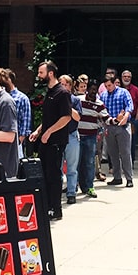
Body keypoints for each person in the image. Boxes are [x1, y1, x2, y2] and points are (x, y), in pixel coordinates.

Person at [28, 61, 71, 220]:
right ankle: (46, 207)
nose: (39, 76)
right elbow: (48, 118)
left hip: (55, 142)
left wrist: (49, 132)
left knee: (53, 175)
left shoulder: (62, 92)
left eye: (41, 72)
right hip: (45, 140)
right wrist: (39, 131)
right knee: (44, 174)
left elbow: (66, 117)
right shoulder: (50, 91)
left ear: (50, 73)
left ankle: (55, 209)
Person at [100, 72, 134, 187]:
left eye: (109, 85)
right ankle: (117, 177)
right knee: (113, 153)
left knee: (125, 153)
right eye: (106, 86)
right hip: (109, 126)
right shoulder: (103, 95)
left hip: (122, 127)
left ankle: (129, 178)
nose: (108, 88)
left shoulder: (123, 92)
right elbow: (101, 111)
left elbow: (130, 106)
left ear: (115, 83)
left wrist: (126, 116)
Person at [76, 78, 107, 198]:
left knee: (89, 162)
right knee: (76, 163)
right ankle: (74, 186)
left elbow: (107, 118)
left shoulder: (99, 104)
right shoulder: (78, 100)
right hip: (77, 136)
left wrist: (117, 120)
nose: (93, 92)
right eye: (91, 89)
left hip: (90, 136)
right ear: (87, 90)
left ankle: (89, 187)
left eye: (95, 90)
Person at [57, 75, 83, 205]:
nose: (63, 87)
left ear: (70, 86)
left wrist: (68, 106)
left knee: (72, 168)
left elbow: (78, 118)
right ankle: (57, 192)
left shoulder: (75, 100)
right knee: (58, 167)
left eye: (66, 85)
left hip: (71, 135)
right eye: (61, 84)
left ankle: (71, 193)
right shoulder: (55, 100)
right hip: (58, 136)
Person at [0, 68, 31, 161]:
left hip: (15, 141)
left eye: (4, 80)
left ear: (10, 80)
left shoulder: (22, 98)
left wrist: (20, 140)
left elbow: (25, 121)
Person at [120, 70, 138, 161]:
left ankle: (131, 162)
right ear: (122, 77)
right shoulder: (117, 88)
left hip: (132, 119)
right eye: (125, 76)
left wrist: (136, 119)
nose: (127, 78)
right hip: (119, 119)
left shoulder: (135, 89)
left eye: (129, 77)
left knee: (132, 142)